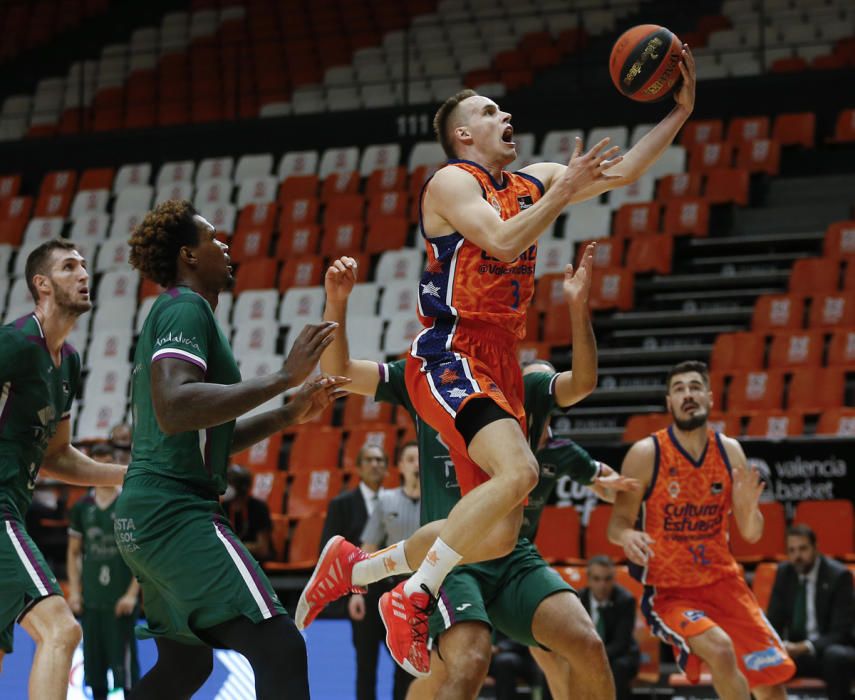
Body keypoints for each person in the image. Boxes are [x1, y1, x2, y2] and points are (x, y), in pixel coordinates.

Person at [347, 48, 695, 676]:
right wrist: (562, 189)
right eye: (488, 110)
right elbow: (504, 239)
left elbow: (621, 174)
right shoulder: (451, 181)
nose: (503, 113)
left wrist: (679, 112)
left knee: (499, 536)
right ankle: (413, 595)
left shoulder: (530, 179)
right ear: (463, 134)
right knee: (522, 470)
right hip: (451, 350)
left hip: (503, 359)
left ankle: (363, 567)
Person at [302, 254, 638, 700]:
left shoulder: (521, 381)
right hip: (454, 559)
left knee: (587, 643)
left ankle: (360, 568)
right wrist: (337, 303)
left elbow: (583, 382)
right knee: (468, 664)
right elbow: (337, 371)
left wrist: (578, 308)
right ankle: (367, 570)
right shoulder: (422, 374)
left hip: (512, 555)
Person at [116, 199, 349, 699]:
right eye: (211, 237)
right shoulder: (184, 306)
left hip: (146, 514)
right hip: (175, 511)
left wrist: (287, 412)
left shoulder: (184, 312)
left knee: (185, 666)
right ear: (188, 255)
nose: (224, 244)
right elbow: (176, 407)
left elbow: (206, 439)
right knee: (280, 645)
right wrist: (284, 377)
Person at [608, 360, 795, 700]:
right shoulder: (646, 454)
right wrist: (627, 535)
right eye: (679, 389)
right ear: (669, 403)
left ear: (709, 397)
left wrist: (749, 509)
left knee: (771, 684)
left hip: (725, 583)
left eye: (695, 387)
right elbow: (616, 524)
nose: (687, 395)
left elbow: (751, 533)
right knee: (721, 650)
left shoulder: (730, 452)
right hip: (670, 591)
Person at [0, 239, 127, 700]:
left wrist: (126, 475)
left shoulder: (69, 362)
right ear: (43, 284)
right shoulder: (14, 343)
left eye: (84, 266)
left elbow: (58, 456)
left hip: (14, 506)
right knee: (62, 630)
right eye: (69, 266)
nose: (83, 274)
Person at [318, 442, 393, 700]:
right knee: (366, 665)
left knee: (406, 666)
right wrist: (352, 592)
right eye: (370, 460)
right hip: (362, 595)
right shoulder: (342, 504)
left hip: (395, 593)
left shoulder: (397, 499)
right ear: (359, 468)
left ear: (387, 468)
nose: (375, 465)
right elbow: (330, 549)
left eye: (380, 460)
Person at [67, 442, 140, 699]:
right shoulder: (82, 506)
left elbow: (141, 555)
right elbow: (74, 552)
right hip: (92, 599)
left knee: (127, 673)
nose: (101, 469)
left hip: (120, 598)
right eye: (95, 464)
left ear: (113, 462)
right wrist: (75, 592)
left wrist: (132, 594)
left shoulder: (129, 503)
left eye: (106, 462)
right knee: (94, 670)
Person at [356, 441, 421, 700]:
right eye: (410, 459)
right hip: (389, 590)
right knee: (371, 661)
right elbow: (367, 550)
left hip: (425, 592)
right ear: (400, 467)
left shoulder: (436, 500)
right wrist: (357, 592)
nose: (416, 464)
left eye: (420, 459)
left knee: (408, 667)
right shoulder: (386, 500)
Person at [766, 524, 855, 700]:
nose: (797, 556)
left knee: (836, 657)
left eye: (803, 549)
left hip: (828, 650)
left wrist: (804, 646)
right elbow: (773, 622)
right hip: (796, 653)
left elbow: (842, 632)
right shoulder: (784, 574)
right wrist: (777, 647)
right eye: (792, 550)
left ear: (816, 548)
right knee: (761, 661)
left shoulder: (838, 576)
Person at [579, 555, 640, 700]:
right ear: (588, 580)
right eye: (597, 579)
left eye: (607, 579)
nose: (602, 585)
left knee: (619, 668)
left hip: (618, 655)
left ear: (614, 579)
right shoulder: (577, 600)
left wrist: (593, 659)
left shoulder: (625, 600)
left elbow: (621, 643)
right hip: (585, 655)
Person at [223, 464, 273, 561]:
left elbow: (263, 549)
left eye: (230, 483)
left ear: (242, 488)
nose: (226, 487)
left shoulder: (259, 508)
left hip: (255, 562)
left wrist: (232, 546)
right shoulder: (224, 507)